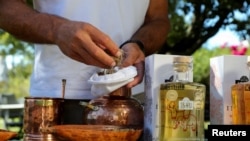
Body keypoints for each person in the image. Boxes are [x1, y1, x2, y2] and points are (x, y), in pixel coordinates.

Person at [0, 0, 169, 123]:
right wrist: (56, 29)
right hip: (56, 101)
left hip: (132, 102)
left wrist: (139, 44)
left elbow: (159, 18)